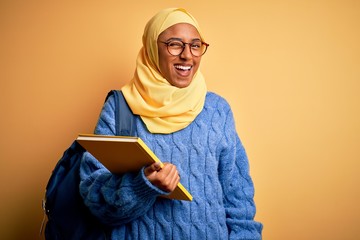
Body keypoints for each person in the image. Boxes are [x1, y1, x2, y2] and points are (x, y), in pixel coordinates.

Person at [79, 7, 263, 239]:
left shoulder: (218, 110)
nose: (187, 55)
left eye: (195, 45)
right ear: (151, 50)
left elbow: (239, 199)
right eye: (175, 44)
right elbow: (94, 198)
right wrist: (142, 186)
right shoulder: (120, 108)